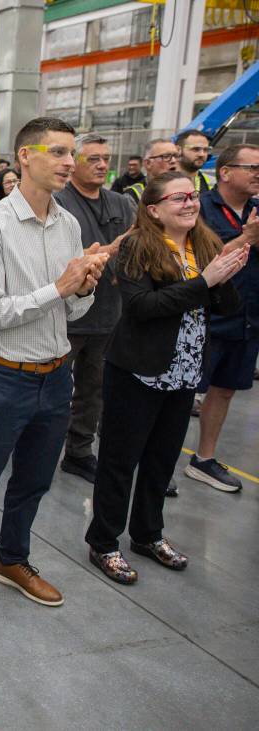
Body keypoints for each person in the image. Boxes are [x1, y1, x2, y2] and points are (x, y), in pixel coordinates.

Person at [0, 117, 108, 628]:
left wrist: (82, 290)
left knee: (34, 481)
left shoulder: (70, 225)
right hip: (8, 376)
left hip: (58, 375)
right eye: (58, 152)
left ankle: (11, 558)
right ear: (25, 157)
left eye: (71, 153)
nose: (69, 163)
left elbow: (72, 314)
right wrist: (60, 287)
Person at [86, 172, 245, 585]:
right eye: (180, 198)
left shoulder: (203, 244)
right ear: (154, 210)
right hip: (138, 372)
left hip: (184, 373)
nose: (191, 203)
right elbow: (142, 306)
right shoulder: (137, 246)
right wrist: (204, 282)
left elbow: (222, 304)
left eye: (193, 196)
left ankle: (147, 534)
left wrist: (223, 279)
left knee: (160, 462)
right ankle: (104, 541)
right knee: (120, 463)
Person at [53, 134, 137, 485]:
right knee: (53, 390)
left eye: (106, 159)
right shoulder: (58, 204)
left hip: (108, 315)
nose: (102, 165)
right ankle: (34, 447)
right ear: (74, 163)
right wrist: (106, 252)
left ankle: (79, 451)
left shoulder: (121, 203)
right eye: (93, 159)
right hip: (66, 317)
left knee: (94, 390)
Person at [187, 143, 259, 493]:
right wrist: (248, 237)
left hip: (246, 318)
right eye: (251, 166)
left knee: (225, 390)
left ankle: (203, 459)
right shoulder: (199, 210)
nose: (258, 173)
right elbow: (201, 263)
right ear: (226, 172)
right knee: (184, 393)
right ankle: (157, 458)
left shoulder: (258, 209)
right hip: (206, 319)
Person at [125, 139, 180, 206]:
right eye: (166, 156)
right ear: (148, 163)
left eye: (176, 156)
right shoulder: (133, 196)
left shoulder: (185, 190)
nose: (173, 161)